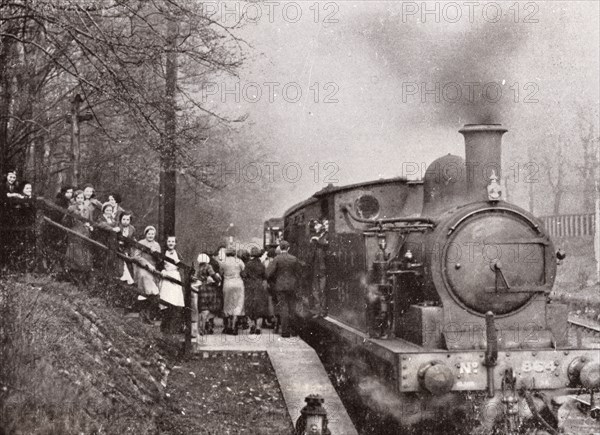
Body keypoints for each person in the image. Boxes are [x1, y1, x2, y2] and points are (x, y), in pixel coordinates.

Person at [266, 240, 302, 338]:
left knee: (283, 308)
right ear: (288, 248)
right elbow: (299, 273)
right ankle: (294, 331)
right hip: (292, 286)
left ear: (280, 248)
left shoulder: (277, 259)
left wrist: (273, 281)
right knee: (292, 307)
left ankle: (285, 332)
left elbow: (269, 273)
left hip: (280, 287)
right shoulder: (294, 259)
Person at [132, 226, 161, 323]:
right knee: (147, 290)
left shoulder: (156, 245)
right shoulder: (141, 243)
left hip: (153, 270)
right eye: (149, 234)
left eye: (152, 234)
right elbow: (137, 256)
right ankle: (144, 315)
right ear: (146, 234)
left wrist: (155, 253)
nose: (151, 236)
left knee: (154, 293)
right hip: (143, 268)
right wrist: (147, 264)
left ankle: (146, 315)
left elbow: (160, 260)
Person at [63, 190, 93, 282]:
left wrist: (90, 226)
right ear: (75, 199)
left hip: (85, 232)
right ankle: (72, 271)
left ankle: (83, 273)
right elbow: (64, 220)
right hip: (75, 230)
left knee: (84, 252)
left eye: (82, 198)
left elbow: (90, 220)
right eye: (78, 198)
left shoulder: (88, 209)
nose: (80, 200)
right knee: (75, 251)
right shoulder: (71, 208)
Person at [191, 253, 222, 338]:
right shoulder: (208, 266)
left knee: (202, 309)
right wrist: (218, 280)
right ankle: (203, 328)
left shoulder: (198, 267)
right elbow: (213, 275)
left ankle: (201, 327)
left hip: (201, 288)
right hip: (208, 288)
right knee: (207, 309)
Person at [159, 236, 185, 334]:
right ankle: (165, 327)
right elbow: (159, 264)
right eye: (169, 241)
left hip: (175, 276)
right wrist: (162, 270)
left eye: (172, 241)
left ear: (175, 243)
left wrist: (179, 262)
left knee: (175, 300)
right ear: (166, 243)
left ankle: (174, 328)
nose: (170, 243)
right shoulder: (163, 253)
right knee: (166, 299)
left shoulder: (178, 253)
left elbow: (182, 264)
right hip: (166, 276)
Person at [242, 247, 269, 335]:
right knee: (259, 306)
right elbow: (265, 276)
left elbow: (244, 275)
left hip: (250, 286)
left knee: (249, 306)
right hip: (259, 286)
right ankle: (258, 327)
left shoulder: (248, 264)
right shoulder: (261, 265)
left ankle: (252, 326)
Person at [220, 247, 245, 335]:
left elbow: (220, 273)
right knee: (237, 304)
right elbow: (243, 271)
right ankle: (235, 327)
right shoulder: (239, 261)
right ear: (234, 253)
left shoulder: (223, 262)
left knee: (227, 304)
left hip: (227, 284)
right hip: (238, 283)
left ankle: (228, 327)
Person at [310, 219, 329, 317]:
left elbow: (324, 243)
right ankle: (318, 310)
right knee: (316, 290)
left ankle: (322, 311)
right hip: (317, 267)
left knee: (321, 290)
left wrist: (316, 239)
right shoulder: (321, 234)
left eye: (327, 224)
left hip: (322, 267)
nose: (325, 225)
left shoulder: (326, 235)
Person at [117, 211, 135, 285]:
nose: (125, 221)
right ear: (120, 219)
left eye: (127, 220)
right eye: (124, 219)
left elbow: (132, 239)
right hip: (117, 247)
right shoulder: (117, 226)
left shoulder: (132, 229)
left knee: (129, 263)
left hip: (126, 249)